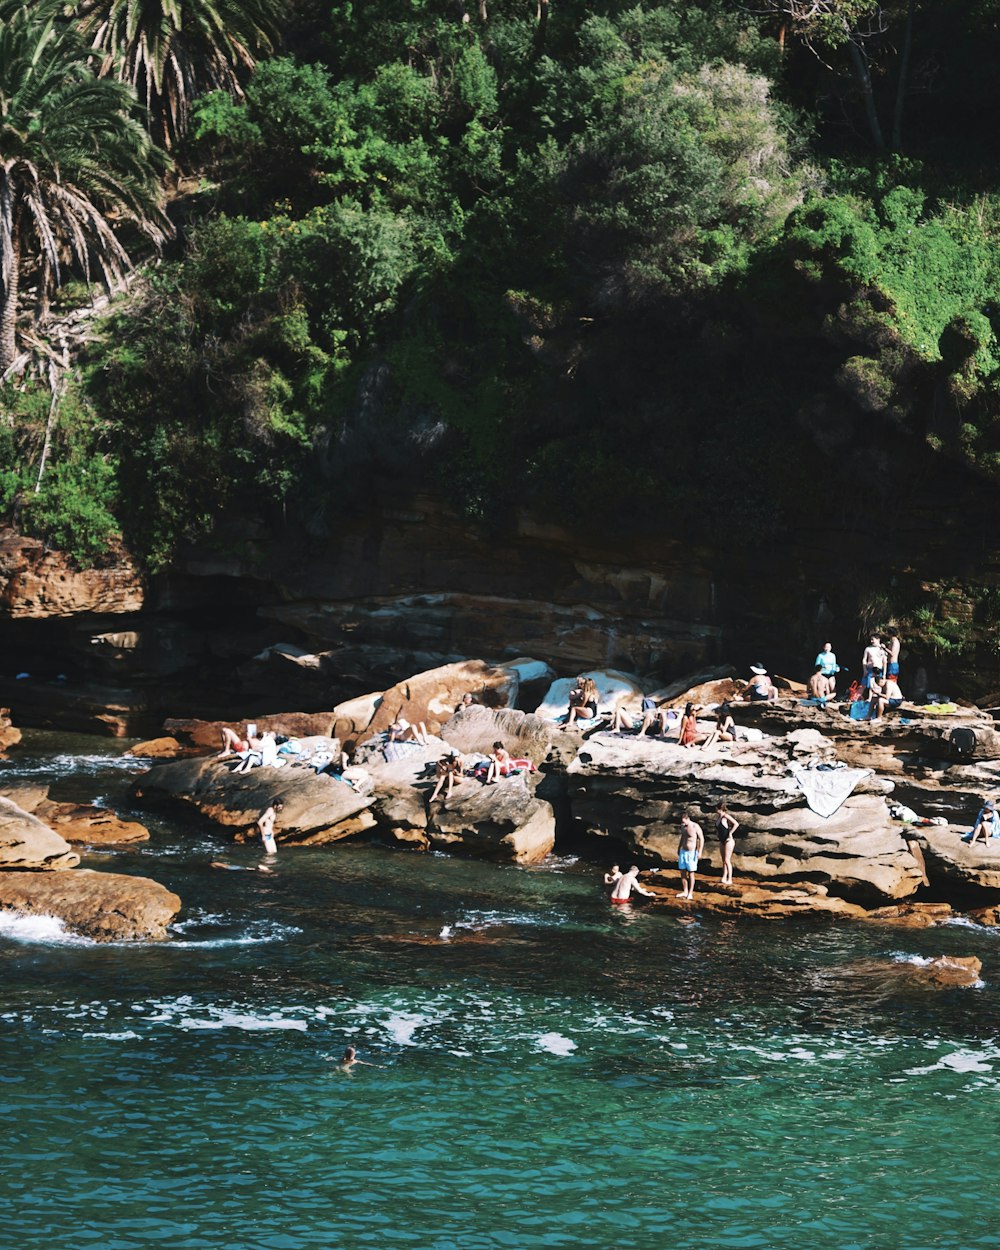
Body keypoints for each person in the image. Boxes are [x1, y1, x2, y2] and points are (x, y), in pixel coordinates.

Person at [677, 812, 704, 899]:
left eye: (684, 821)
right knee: (682, 872)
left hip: (691, 852)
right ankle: (685, 891)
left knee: (691, 873)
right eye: (682, 822)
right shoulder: (682, 826)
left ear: (688, 819)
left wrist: (699, 851)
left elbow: (701, 839)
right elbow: (683, 837)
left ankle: (690, 893)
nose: (683, 823)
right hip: (683, 851)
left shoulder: (695, 826)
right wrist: (679, 848)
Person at [714, 804, 739, 886]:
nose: (715, 810)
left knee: (727, 860)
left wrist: (730, 833)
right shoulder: (718, 818)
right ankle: (724, 877)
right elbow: (719, 829)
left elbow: (736, 824)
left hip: (728, 840)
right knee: (724, 860)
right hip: (722, 840)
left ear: (720, 809)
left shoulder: (725, 816)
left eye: (716, 809)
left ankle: (730, 879)